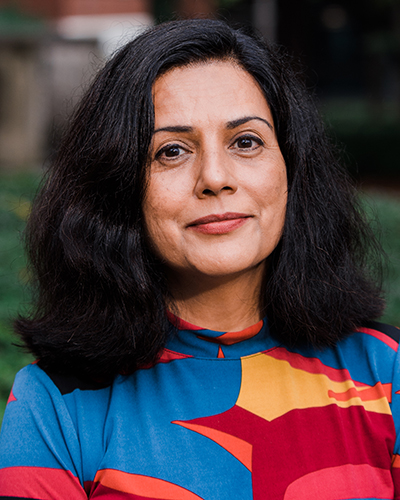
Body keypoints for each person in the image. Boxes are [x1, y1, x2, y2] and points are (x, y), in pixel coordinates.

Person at [0, 18, 399, 500]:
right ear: (117, 188)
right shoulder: (56, 405)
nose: (215, 177)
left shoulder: (387, 375)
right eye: (171, 151)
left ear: (292, 167)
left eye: (246, 141)